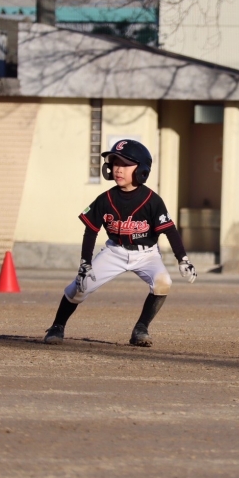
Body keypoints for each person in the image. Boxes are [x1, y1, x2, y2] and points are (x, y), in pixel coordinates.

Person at [43, 139, 196, 347]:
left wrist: (183, 259)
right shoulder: (105, 199)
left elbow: (169, 230)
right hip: (114, 252)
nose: (118, 169)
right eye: (115, 163)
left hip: (147, 254)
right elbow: (91, 231)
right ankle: (57, 326)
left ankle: (141, 328)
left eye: (125, 164)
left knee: (163, 282)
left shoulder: (152, 200)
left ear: (141, 170)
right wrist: (85, 263)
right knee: (80, 287)